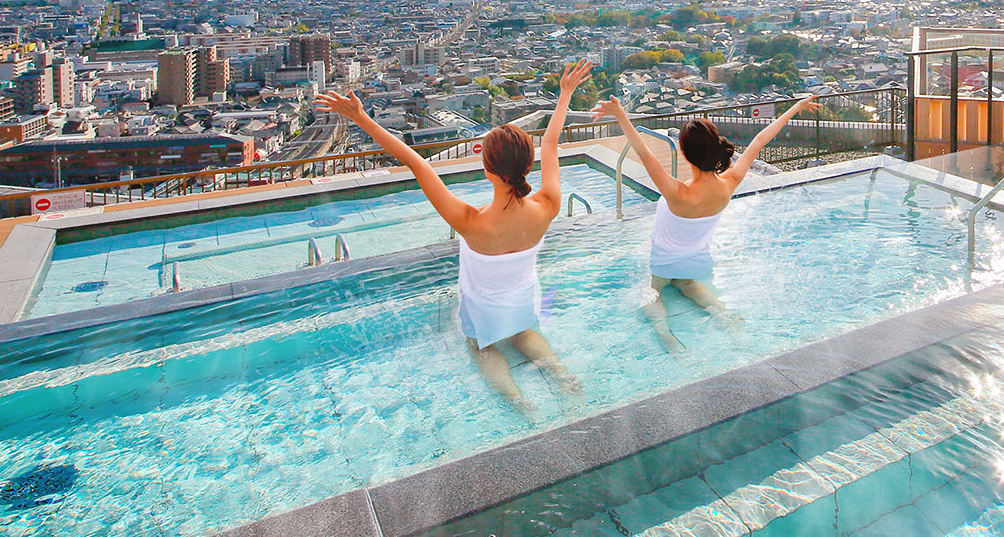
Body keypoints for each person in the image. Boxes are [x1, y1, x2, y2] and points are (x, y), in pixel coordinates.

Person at [314, 61, 595, 415]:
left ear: (488, 168)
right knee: (523, 333)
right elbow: (551, 140)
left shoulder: (469, 221)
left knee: (482, 347)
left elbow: (417, 163)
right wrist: (565, 93)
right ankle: (561, 376)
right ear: (527, 165)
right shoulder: (548, 205)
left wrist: (361, 118)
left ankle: (520, 403)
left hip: (483, 309)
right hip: (523, 299)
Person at [595, 94, 821, 352]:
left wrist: (620, 114)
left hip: (664, 263)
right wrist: (796, 107)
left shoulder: (677, 193)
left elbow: (643, 152)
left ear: (684, 154)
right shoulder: (729, 183)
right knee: (688, 283)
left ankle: (666, 336)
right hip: (697, 262)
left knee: (650, 293)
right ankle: (723, 315)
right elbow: (760, 140)